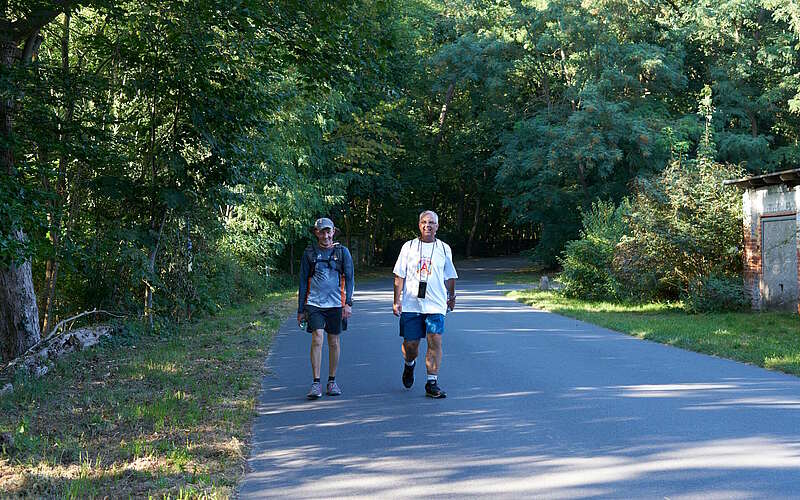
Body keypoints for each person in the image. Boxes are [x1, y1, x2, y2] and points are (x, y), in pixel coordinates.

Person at [392, 210, 457, 398]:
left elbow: (450, 275)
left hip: (436, 304)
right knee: (411, 345)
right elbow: (399, 275)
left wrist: (451, 297)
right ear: (419, 225)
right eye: (424, 222)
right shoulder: (408, 247)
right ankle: (409, 365)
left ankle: (432, 383)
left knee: (435, 340)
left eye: (431, 223)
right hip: (412, 304)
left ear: (437, 226)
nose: (427, 225)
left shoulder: (444, 248)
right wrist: (397, 300)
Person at [297, 217, 354, 400]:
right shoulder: (309, 253)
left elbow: (350, 278)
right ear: (316, 233)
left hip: (336, 304)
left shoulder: (342, 252)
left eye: (328, 231)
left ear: (333, 232)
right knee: (317, 338)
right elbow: (303, 283)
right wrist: (300, 310)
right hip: (314, 304)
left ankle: (332, 380)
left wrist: (348, 304)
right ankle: (316, 382)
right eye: (322, 232)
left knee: (334, 342)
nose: (326, 235)